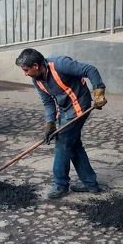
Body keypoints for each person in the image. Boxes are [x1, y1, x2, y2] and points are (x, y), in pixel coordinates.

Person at [15, 48, 107, 199]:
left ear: (36, 66)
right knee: (74, 144)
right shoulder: (37, 80)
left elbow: (90, 69)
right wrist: (50, 123)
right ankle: (90, 183)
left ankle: (60, 185)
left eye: (26, 70)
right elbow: (48, 102)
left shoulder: (60, 64)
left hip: (80, 105)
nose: (25, 74)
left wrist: (99, 92)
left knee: (63, 143)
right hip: (64, 110)